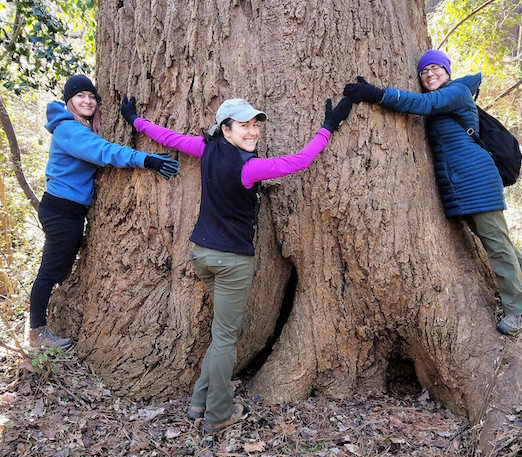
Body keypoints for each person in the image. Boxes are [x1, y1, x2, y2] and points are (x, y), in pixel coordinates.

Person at [120, 94, 352, 432]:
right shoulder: (249, 168)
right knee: (227, 337)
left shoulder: (205, 148)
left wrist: (135, 121)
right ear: (225, 129)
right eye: (244, 125)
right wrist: (329, 126)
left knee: (227, 332)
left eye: (255, 124)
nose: (253, 131)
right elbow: (300, 161)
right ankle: (217, 415)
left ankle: (200, 400)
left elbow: (168, 137)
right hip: (231, 262)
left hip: (202, 255)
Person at [343, 49, 522, 335]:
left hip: (477, 181)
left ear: (447, 71)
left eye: (435, 68)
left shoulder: (457, 92)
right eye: (424, 72)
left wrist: (375, 93)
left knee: (498, 248)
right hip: (462, 186)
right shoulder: (446, 96)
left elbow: (422, 104)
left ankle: (517, 311)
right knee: (502, 243)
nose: (429, 75)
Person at [29, 74, 179, 350]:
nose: (87, 101)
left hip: (70, 210)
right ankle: (37, 334)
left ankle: (48, 322)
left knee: (60, 269)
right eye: (80, 96)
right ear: (69, 101)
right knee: (50, 271)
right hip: (61, 210)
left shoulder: (82, 127)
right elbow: (102, 152)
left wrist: (131, 119)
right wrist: (145, 159)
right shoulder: (67, 129)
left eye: (91, 97)